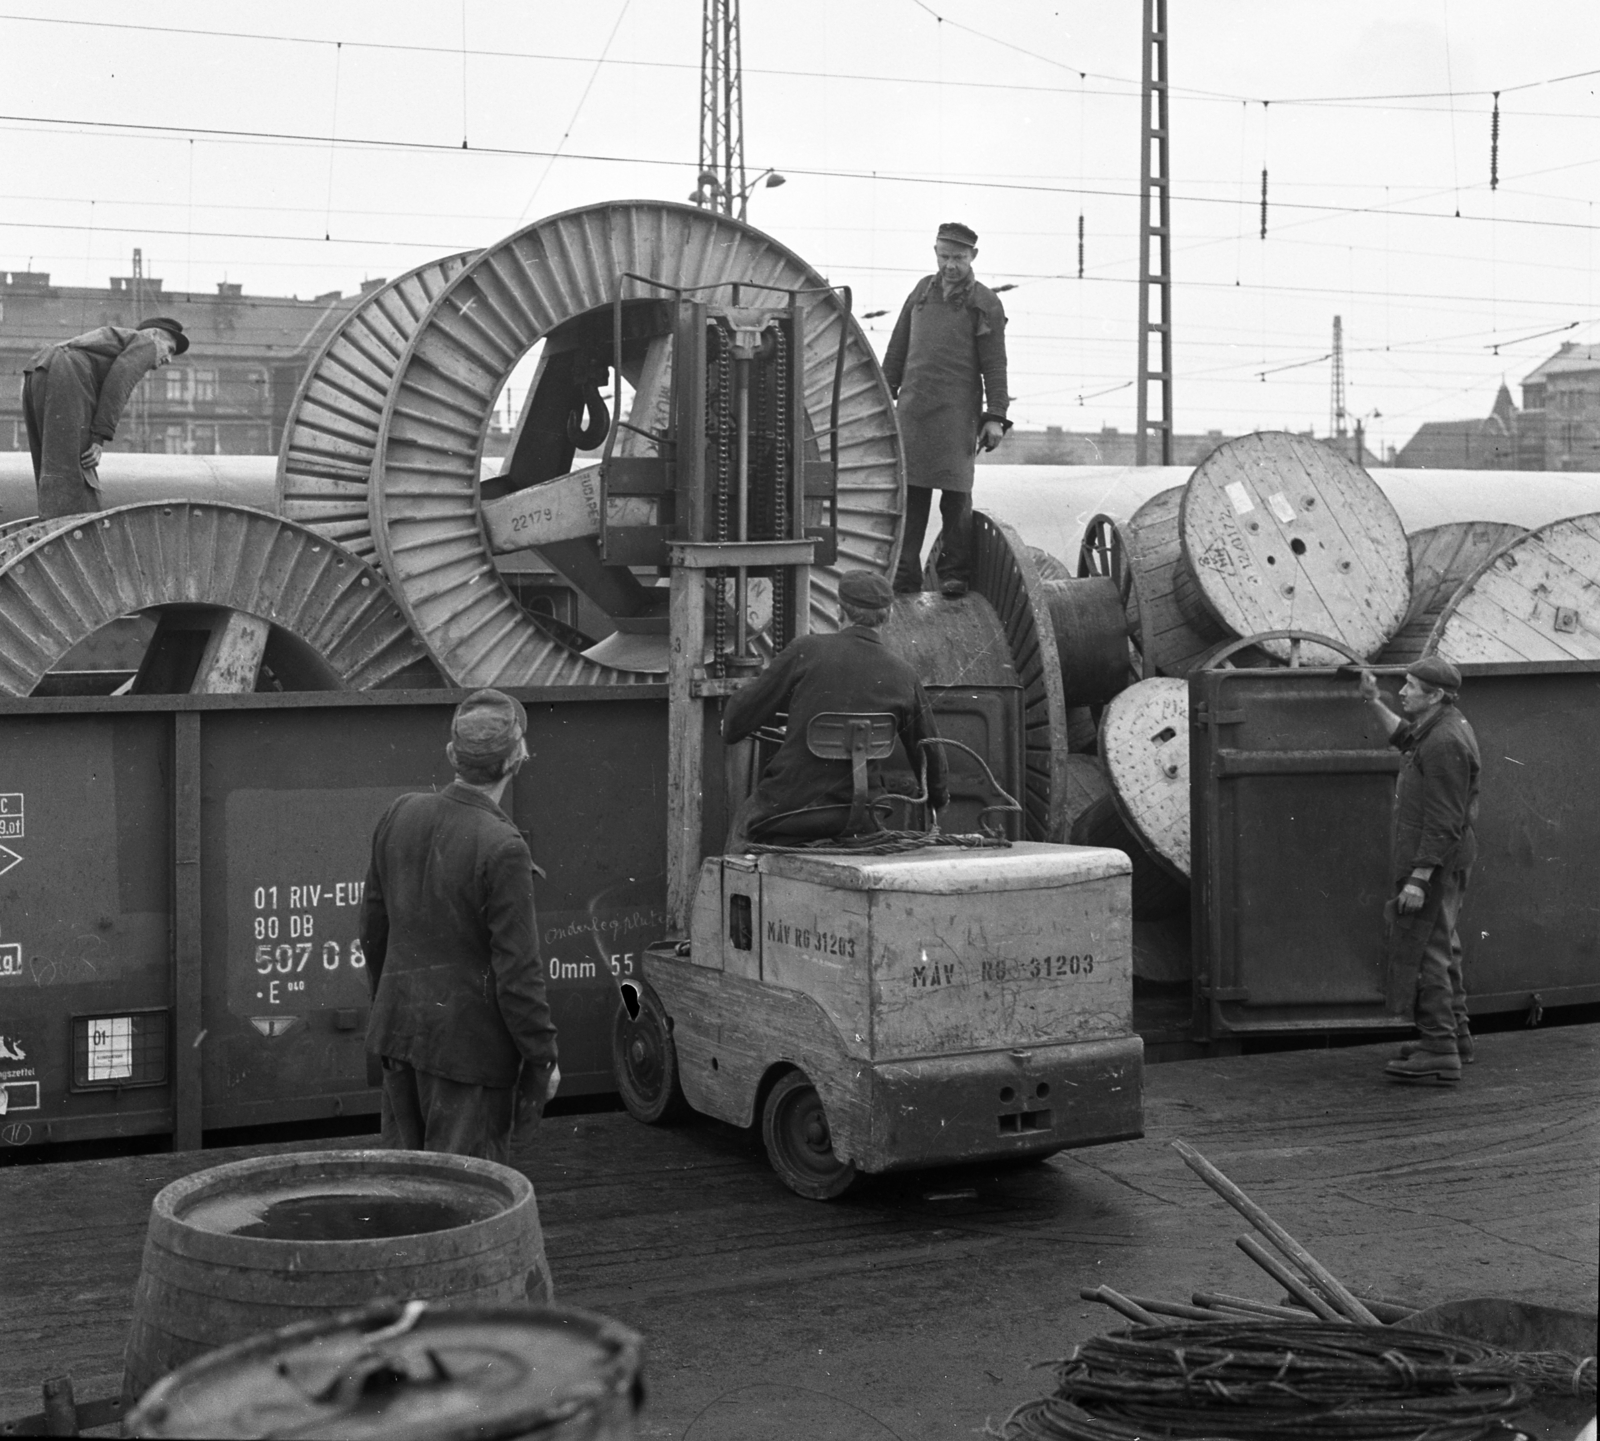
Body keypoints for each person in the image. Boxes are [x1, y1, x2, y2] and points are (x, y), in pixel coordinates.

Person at [360, 689, 560, 1162]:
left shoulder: (399, 813)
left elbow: (372, 928)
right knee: (462, 1203)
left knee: (402, 1189)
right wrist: (542, 1056)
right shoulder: (503, 847)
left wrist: (391, 1005)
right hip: (468, 1060)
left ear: (453, 755)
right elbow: (518, 974)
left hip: (400, 1038)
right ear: (518, 758)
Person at [724, 570, 949, 844]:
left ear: (840, 611)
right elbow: (930, 752)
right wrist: (938, 798)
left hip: (789, 811)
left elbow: (737, 722)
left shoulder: (805, 649)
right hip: (867, 816)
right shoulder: (905, 674)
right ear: (888, 616)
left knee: (741, 824)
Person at [1358, 657, 1481, 1084]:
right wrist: (1373, 701)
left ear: (1436, 696)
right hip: (1445, 860)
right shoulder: (1437, 727)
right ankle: (1456, 1038)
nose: (1404, 691)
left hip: (1435, 865)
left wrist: (1418, 878)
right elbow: (1403, 738)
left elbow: (1445, 820)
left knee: (1426, 949)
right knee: (1444, 945)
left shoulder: (1445, 741)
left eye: (1411, 687)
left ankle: (1438, 1049)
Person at [882, 222, 1011, 599]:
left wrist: (995, 416)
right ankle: (904, 575)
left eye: (958, 257)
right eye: (944, 256)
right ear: (935, 252)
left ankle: (953, 573)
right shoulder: (921, 292)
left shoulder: (986, 303)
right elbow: (897, 348)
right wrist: (882, 394)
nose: (950, 265)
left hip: (958, 414)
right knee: (912, 493)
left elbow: (995, 365)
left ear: (973, 256)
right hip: (913, 411)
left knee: (956, 495)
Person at [21, 318, 189, 520]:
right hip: (66, 372)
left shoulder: (116, 344)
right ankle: (73, 530)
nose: (169, 359)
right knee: (75, 468)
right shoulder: (146, 342)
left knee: (51, 464)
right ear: (154, 334)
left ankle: (52, 523)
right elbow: (120, 383)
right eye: (169, 349)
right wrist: (99, 438)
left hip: (38, 369)